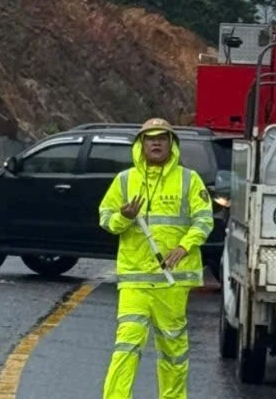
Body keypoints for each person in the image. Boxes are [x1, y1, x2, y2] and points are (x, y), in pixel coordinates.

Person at [98, 118, 214, 399]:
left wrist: (184, 247)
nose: (156, 142)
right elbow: (105, 219)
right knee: (126, 345)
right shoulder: (125, 180)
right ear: (141, 144)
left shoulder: (189, 179)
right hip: (135, 281)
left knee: (173, 352)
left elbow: (204, 220)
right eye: (150, 138)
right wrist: (123, 217)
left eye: (162, 137)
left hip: (171, 283)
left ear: (171, 143)